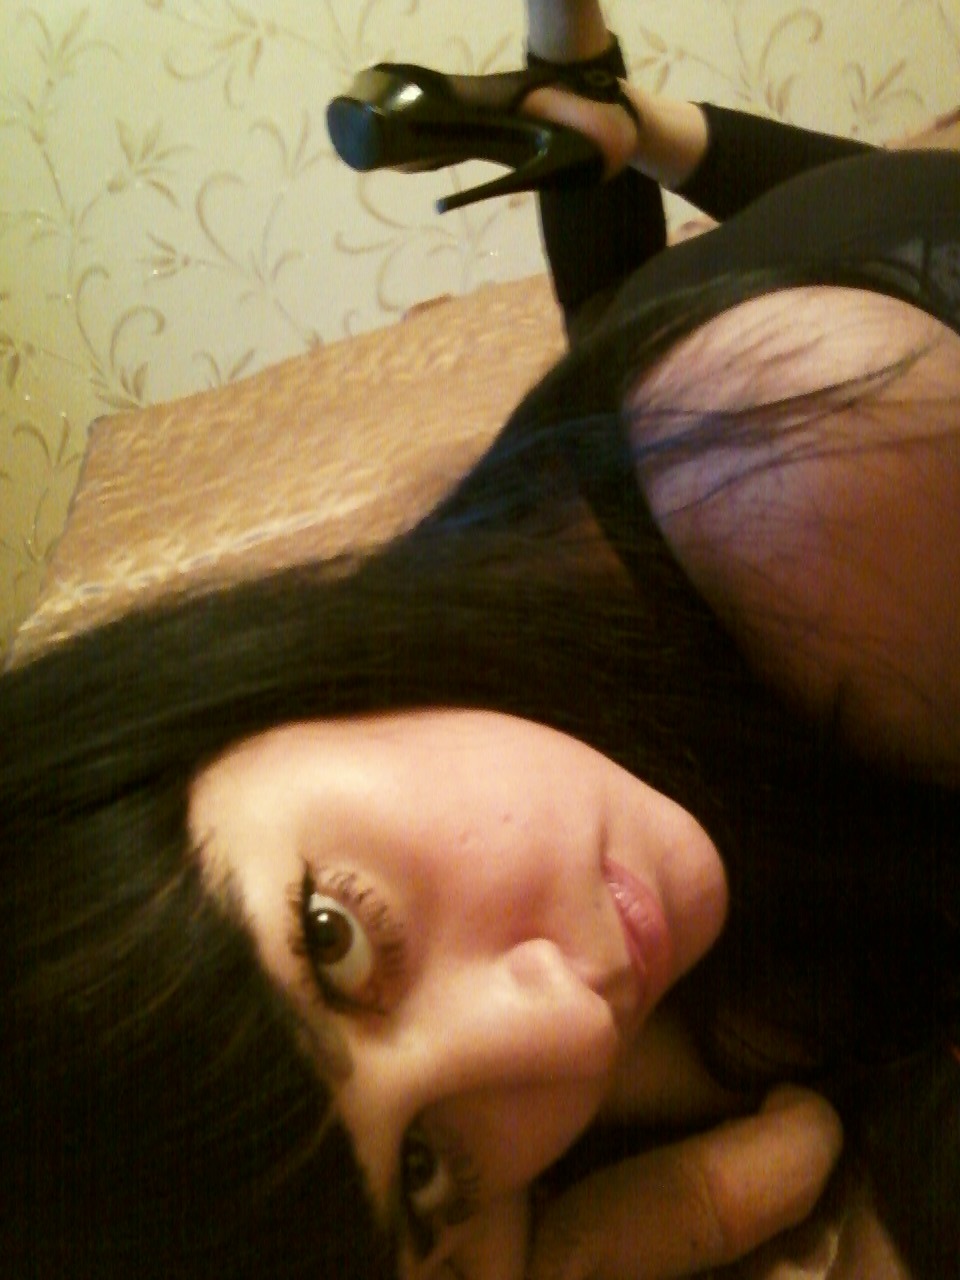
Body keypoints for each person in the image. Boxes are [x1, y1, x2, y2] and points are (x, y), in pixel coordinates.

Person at [3, 0, 959, 1275]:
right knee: (616, 310)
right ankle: (610, 120)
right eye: (425, 1172)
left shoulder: (811, 475)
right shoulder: (486, 648)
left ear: (203, 717)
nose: (568, 1026)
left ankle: (620, 120)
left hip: (864, 334)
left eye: (333, 936)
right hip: (732, 332)